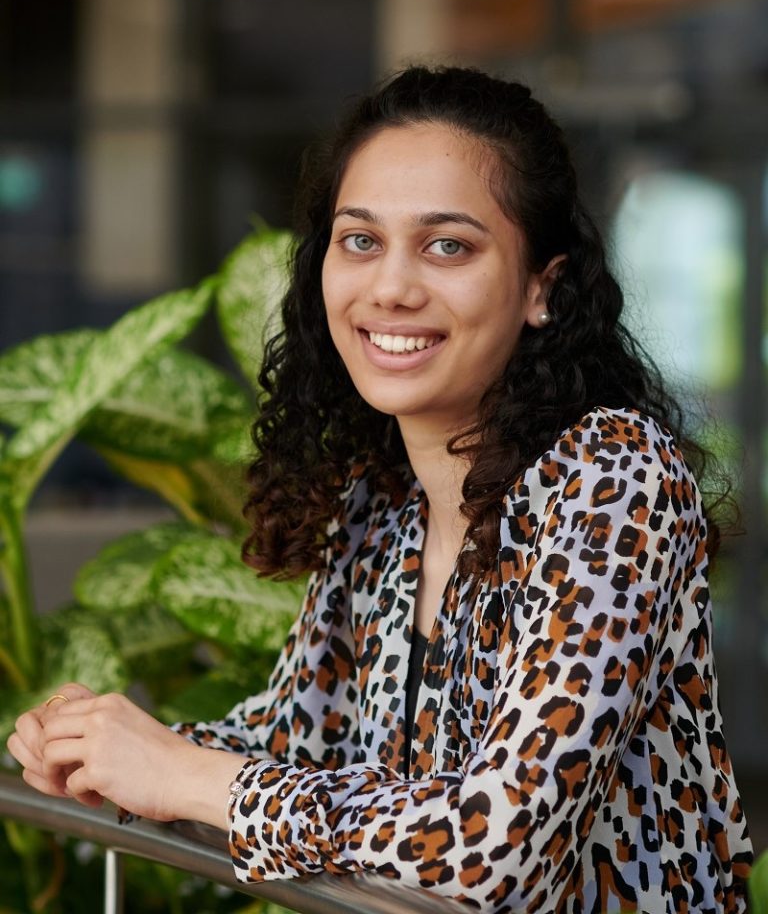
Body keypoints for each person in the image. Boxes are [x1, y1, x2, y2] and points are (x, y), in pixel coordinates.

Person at [8, 66, 753, 913]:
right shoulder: (382, 500)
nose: (391, 287)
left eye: (449, 246)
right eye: (360, 240)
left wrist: (183, 775)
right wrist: (105, 747)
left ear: (541, 289)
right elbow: (295, 742)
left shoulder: (613, 481)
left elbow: (492, 851)